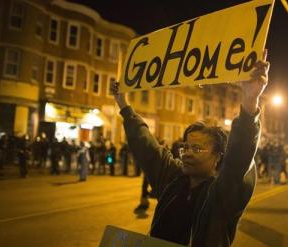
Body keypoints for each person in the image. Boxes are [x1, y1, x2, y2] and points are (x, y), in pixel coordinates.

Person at [111, 51, 269, 246]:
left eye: (197, 148)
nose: (187, 154)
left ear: (217, 157)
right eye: (185, 147)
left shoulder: (223, 193)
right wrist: (124, 105)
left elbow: (239, 156)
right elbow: (148, 148)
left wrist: (250, 101)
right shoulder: (172, 179)